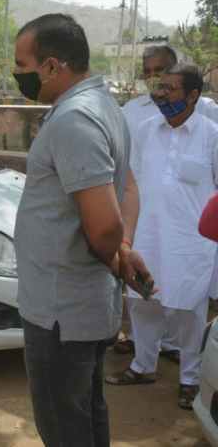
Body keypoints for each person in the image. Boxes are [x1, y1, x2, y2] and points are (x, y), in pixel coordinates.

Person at [13, 14, 152, 446]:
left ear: (52, 66)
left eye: (21, 65)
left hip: (61, 309)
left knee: (64, 425)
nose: (16, 74)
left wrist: (114, 251)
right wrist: (122, 249)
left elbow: (104, 224)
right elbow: (127, 188)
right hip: (77, 305)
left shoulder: (75, 120)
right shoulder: (103, 107)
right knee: (85, 414)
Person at [106, 64, 218, 410]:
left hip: (191, 243)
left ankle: (190, 379)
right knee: (143, 303)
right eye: (160, 87)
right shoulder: (146, 130)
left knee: (189, 311)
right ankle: (143, 366)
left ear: (193, 95)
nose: (160, 94)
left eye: (170, 88)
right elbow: (132, 184)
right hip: (148, 235)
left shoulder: (212, 135)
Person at [115, 45, 186, 359]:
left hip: (181, 208)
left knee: (178, 272)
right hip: (139, 206)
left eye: (159, 70)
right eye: (147, 72)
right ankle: (139, 340)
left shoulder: (200, 109)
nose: (152, 77)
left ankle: (173, 342)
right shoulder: (131, 110)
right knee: (141, 270)